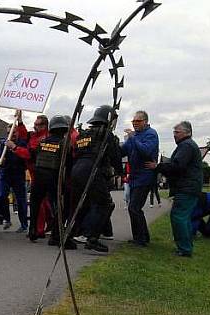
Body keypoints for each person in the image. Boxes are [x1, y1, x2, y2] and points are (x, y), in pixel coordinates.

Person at [15, 114, 75, 248]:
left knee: (35, 205)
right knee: (60, 207)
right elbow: (69, 165)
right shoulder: (65, 144)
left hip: (39, 177)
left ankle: (32, 230)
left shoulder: (42, 142)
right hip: (54, 178)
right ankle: (56, 235)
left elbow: (33, 156)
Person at [148, 121, 203, 257]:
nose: (174, 135)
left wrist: (158, 167)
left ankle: (184, 249)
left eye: (177, 132)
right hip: (189, 187)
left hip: (186, 188)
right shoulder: (188, 145)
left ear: (187, 132)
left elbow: (177, 167)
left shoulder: (186, 146)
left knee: (179, 217)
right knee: (183, 217)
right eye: (174, 132)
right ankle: (186, 246)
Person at [71, 105, 122, 253]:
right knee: (106, 204)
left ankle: (71, 234)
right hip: (92, 170)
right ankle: (92, 239)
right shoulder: (107, 135)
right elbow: (115, 157)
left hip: (77, 170)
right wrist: (119, 172)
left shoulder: (83, 134)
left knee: (83, 204)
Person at [121, 110, 159, 247]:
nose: (135, 124)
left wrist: (133, 138)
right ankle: (142, 237)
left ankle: (141, 239)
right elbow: (123, 151)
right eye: (133, 121)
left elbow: (146, 151)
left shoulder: (151, 134)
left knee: (134, 207)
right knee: (134, 208)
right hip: (135, 177)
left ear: (145, 121)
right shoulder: (135, 136)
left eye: (137, 121)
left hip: (145, 176)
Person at [0, 133, 29, 232]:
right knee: (1, 195)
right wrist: (1, 160)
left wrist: (14, 147)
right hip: (5, 173)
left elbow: (25, 156)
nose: (11, 134)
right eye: (9, 132)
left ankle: (24, 225)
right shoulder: (3, 143)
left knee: (20, 200)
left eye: (13, 132)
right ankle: (7, 219)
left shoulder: (22, 143)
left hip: (18, 174)